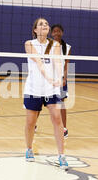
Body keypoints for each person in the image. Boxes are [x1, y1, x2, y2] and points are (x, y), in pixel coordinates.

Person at [23, 17, 67, 169]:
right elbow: (39, 62)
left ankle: (61, 155)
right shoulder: (29, 44)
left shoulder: (54, 45)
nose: (45, 26)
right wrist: (49, 77)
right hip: (33, 88)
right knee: (30, 122)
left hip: (51, 89)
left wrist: (59, 78)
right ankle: (29, 149)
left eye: (46, 24)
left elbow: (58, 63)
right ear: (35, 30)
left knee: (57, 118)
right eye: (41, 24)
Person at [51, 24, 71, 138]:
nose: (56, 33)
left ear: (62, 33)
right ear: (51, 33)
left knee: (61, 102)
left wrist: (64, 78)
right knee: (41, 101)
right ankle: (34, 124)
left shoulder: (67, 47)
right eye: (54, 31)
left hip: (60, 78)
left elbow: (66, 64)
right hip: (49, 78)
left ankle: (64, 128)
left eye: (59, 31)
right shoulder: (48, 45)